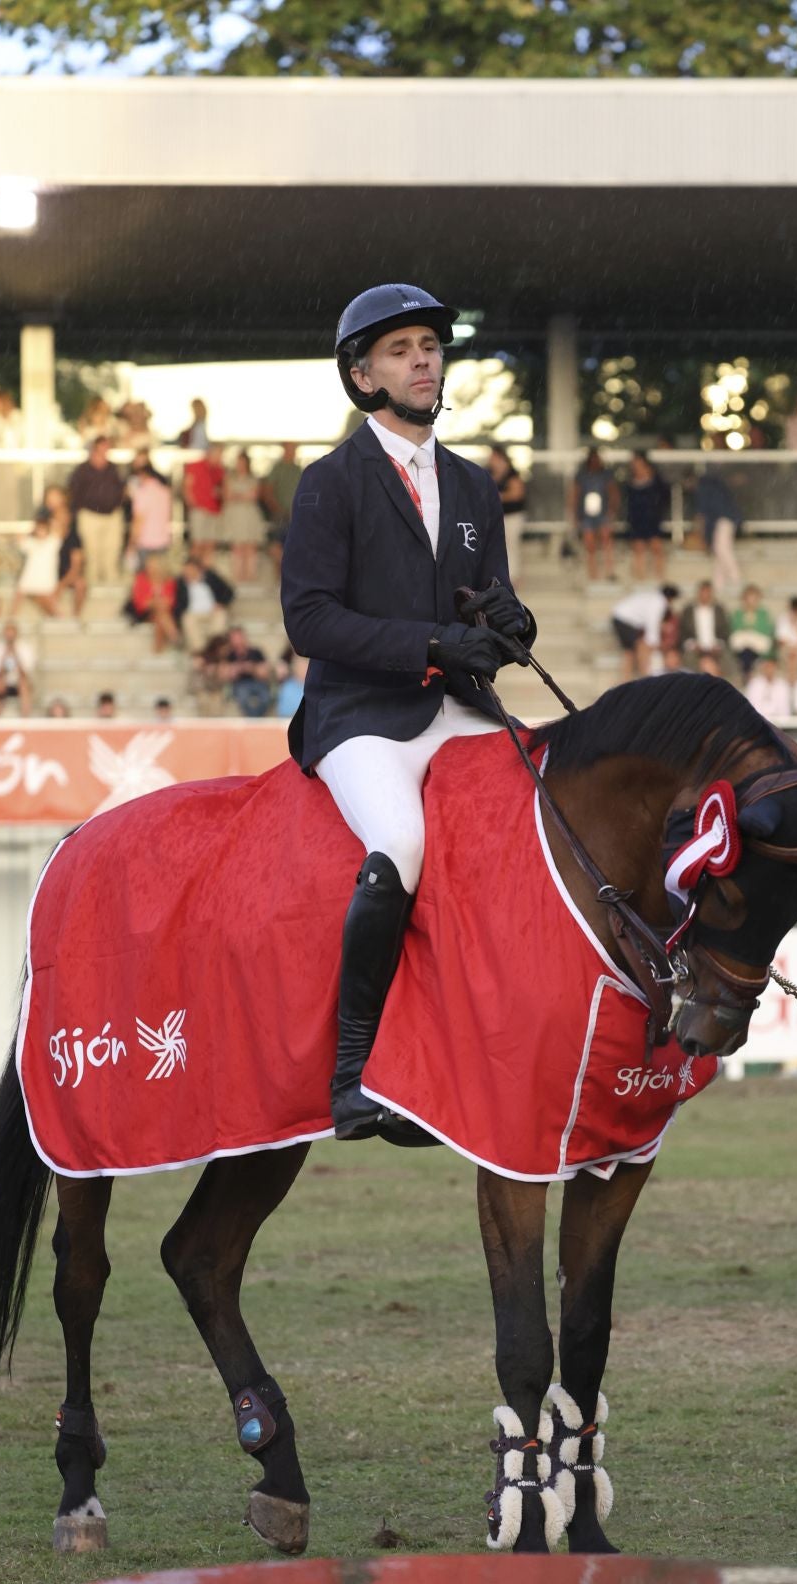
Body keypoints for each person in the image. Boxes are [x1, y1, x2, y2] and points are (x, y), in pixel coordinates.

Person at [281, 281, 533, 1140]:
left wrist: (509, 626)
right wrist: (428, 646)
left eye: (429, 344)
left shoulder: (471, 485)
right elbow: (308, 619)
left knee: (544, 815)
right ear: (362, 377)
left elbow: (487, 613)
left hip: (456, 709)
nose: (423, 358)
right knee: (403, 840)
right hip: (358, 714)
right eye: (400, 349)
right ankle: (354, 1071)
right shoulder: (329, 482)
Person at [68, 437, 125, 587]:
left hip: (112, 516)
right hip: (90, 515)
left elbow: (121, 490)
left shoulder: (113, 469)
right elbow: (74, 493)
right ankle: (93, 585)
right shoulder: (82, 470)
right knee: (92, 553)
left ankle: (111, 584)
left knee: (111, 551)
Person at [610, 582, 679, 680]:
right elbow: (652, 625)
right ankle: (645, 678)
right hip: (625, 620)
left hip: (620, 617)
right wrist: (655, 644)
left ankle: (626, 680)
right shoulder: (659, 602)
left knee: (629, 652)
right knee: (641, 647)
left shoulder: (652, 597)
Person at [569, 448, 618, 581]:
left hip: (603, 513)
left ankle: (609, 571)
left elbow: (613, 492)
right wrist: (574, 514)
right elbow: (575, 495)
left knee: (606, 542)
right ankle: (593, 575)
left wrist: (612, 510)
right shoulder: (581, 475)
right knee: (590, 545)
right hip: (586, 515)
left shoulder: (606, 474)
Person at [693, 466, 742, 595]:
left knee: (721, 549)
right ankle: (718, 586)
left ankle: (736, 579)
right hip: (727, 519)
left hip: (725, 519)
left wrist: (702, 535)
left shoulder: (703, 486)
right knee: (718, 552)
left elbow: (702, 516)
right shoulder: (713, 483)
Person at [8, 506, 63, 620]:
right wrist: (33, 525)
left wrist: (49, 518)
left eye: (43, 528)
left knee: (50, 604)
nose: (41, 531)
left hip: (46, 579)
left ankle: (60, 622)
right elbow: (18, 539)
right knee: (18, 597)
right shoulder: (31, 543)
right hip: (30, 578)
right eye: (39, 528)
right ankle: (10, 620)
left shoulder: (52, 542)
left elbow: (59, 530)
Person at [175, 553, 235, 654]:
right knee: (187, 620)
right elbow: (178, 603)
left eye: (189, 569)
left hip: (212, 611)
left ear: (196, 568)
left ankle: (215, 648)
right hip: (192, 613)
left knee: (221, 617)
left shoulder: (211, 577)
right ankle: (201, 652)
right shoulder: (180, 582)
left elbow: (229, 592)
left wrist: (221, 603)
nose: (187, 572)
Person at [623, 451, 668, 580]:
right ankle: (640, 578)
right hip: (636, 518)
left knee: (656, 547)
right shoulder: (630, 481)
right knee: (638, 548)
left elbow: (664, 497)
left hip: (652, 517)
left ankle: (659, 576)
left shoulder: (655, 479)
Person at [486, 446, 527, 586]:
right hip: (496, 516)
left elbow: (517, 493)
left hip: (512, 516)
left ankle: (513, 577)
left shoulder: (512, 474)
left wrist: (499, 496)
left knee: (511, 546)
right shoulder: (488, 473)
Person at [262, 442, 303, 580]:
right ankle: (278, 579)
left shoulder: (298, 469)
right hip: (280, 515)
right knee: (276, 546)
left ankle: (289, 578)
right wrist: (277, 508)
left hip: (295, 515)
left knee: (293, 547)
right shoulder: (277, 469)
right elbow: (268, 490)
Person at [222, 449, 264, 583]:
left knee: (250, 546)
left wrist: (237, 495)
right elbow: (227, 496)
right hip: (235, 516)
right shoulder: (229, 478)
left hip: (249, 516)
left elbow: (253, 496)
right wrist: (242, 495)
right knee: (237, 546)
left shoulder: (253, 478)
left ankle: (250, 576)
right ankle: (238, 577)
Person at [128, 552, 180, 651]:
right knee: (160, 610)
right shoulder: (141, 579)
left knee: (160, 617)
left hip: (163, 612)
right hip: (145, 613)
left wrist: (157, 602)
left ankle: (158, 650)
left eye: (152, 565)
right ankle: (174, 636)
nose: (150, 568)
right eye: (149, 565)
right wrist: (155, 602)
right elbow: (139, 602)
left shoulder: (169, 581)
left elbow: (171, 601)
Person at [217, 626, 273, 717]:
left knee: (265, 697)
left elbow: (265, 673)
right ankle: (253, 721)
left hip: (258, 682)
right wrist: (235, 669)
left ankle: (256, 720)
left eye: (239, 637)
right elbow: (223, 675)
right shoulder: (229, 655)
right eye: (234, 638)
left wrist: (252, 668)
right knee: (243, 696)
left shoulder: (256, 652)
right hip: (240, 684)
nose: (238, 641)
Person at [184, 445, 225, 565]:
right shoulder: (195, 466)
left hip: (214, 511)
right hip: (199, 510)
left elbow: (222, 489)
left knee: (210, 543)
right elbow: (187, 487)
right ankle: (193, 569)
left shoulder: (219, 470)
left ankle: (207, 571)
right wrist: (194, 506)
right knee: (198, 543)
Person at [678, 580, 731, 674]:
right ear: (698, 593)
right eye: (703, 592)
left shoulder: (719, 610)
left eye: (708, 592)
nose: (705, 595)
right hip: (695, 647)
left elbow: (725, 631)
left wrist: (718, 644)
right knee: (688, 659)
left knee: (728, 658)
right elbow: (683, 632)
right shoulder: (688, 610)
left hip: (715, 647)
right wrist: (693, 645)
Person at [0, 621, 36, 715]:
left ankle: (25, 717)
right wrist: (4, 656)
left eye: (11, 635)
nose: (10, 638)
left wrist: (16, 655)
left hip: (19, 683)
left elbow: (25, 674)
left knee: (24, 684)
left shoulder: (25, 649)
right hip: (3, 683)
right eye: (8, 635)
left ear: (16, 634)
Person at [729, 584, 775, 678]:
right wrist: (748, 631)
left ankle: (747, 670)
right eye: (748, 598)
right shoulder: (738, 613)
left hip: (757, 642)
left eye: (754, 599)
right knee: (742, 643)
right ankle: (748, 670)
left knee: (752, 644)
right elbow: (735, 628)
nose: (751, 602)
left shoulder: (763, 613)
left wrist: (750, 631)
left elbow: (766, 630)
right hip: (743, 642)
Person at [744, 654, 791, 721]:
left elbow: (785, 709)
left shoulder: (783, 685)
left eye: (771, 666)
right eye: (767, 666)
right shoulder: (754, 684)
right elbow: (751, 707)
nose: (769, 669)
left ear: (776, 667)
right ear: (762, 667)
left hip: (779, 724)